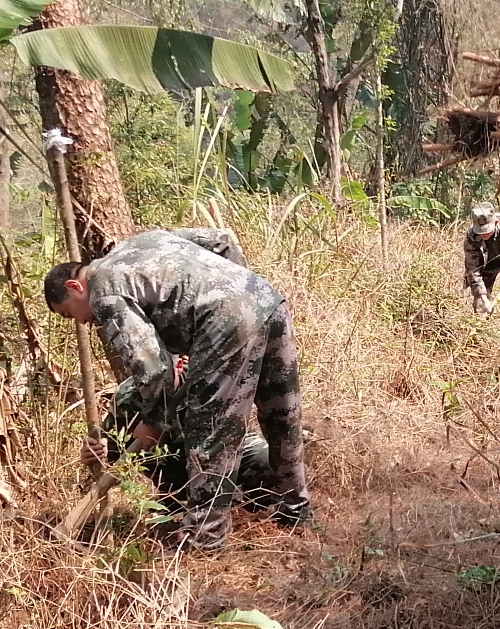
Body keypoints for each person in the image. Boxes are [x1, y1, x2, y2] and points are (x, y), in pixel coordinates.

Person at [44, 227, 310, 549]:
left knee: (211, 432)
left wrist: (154, 422)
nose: (81, 323)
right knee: (282, 413)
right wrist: (240, 289)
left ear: (75, 287)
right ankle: (294, 511)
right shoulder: (143, 242)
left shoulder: (104, 291)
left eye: (69, 313)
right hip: (266, 298)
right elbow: (220, 240)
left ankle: (204, 536)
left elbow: (153, 371)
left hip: (221, 323)